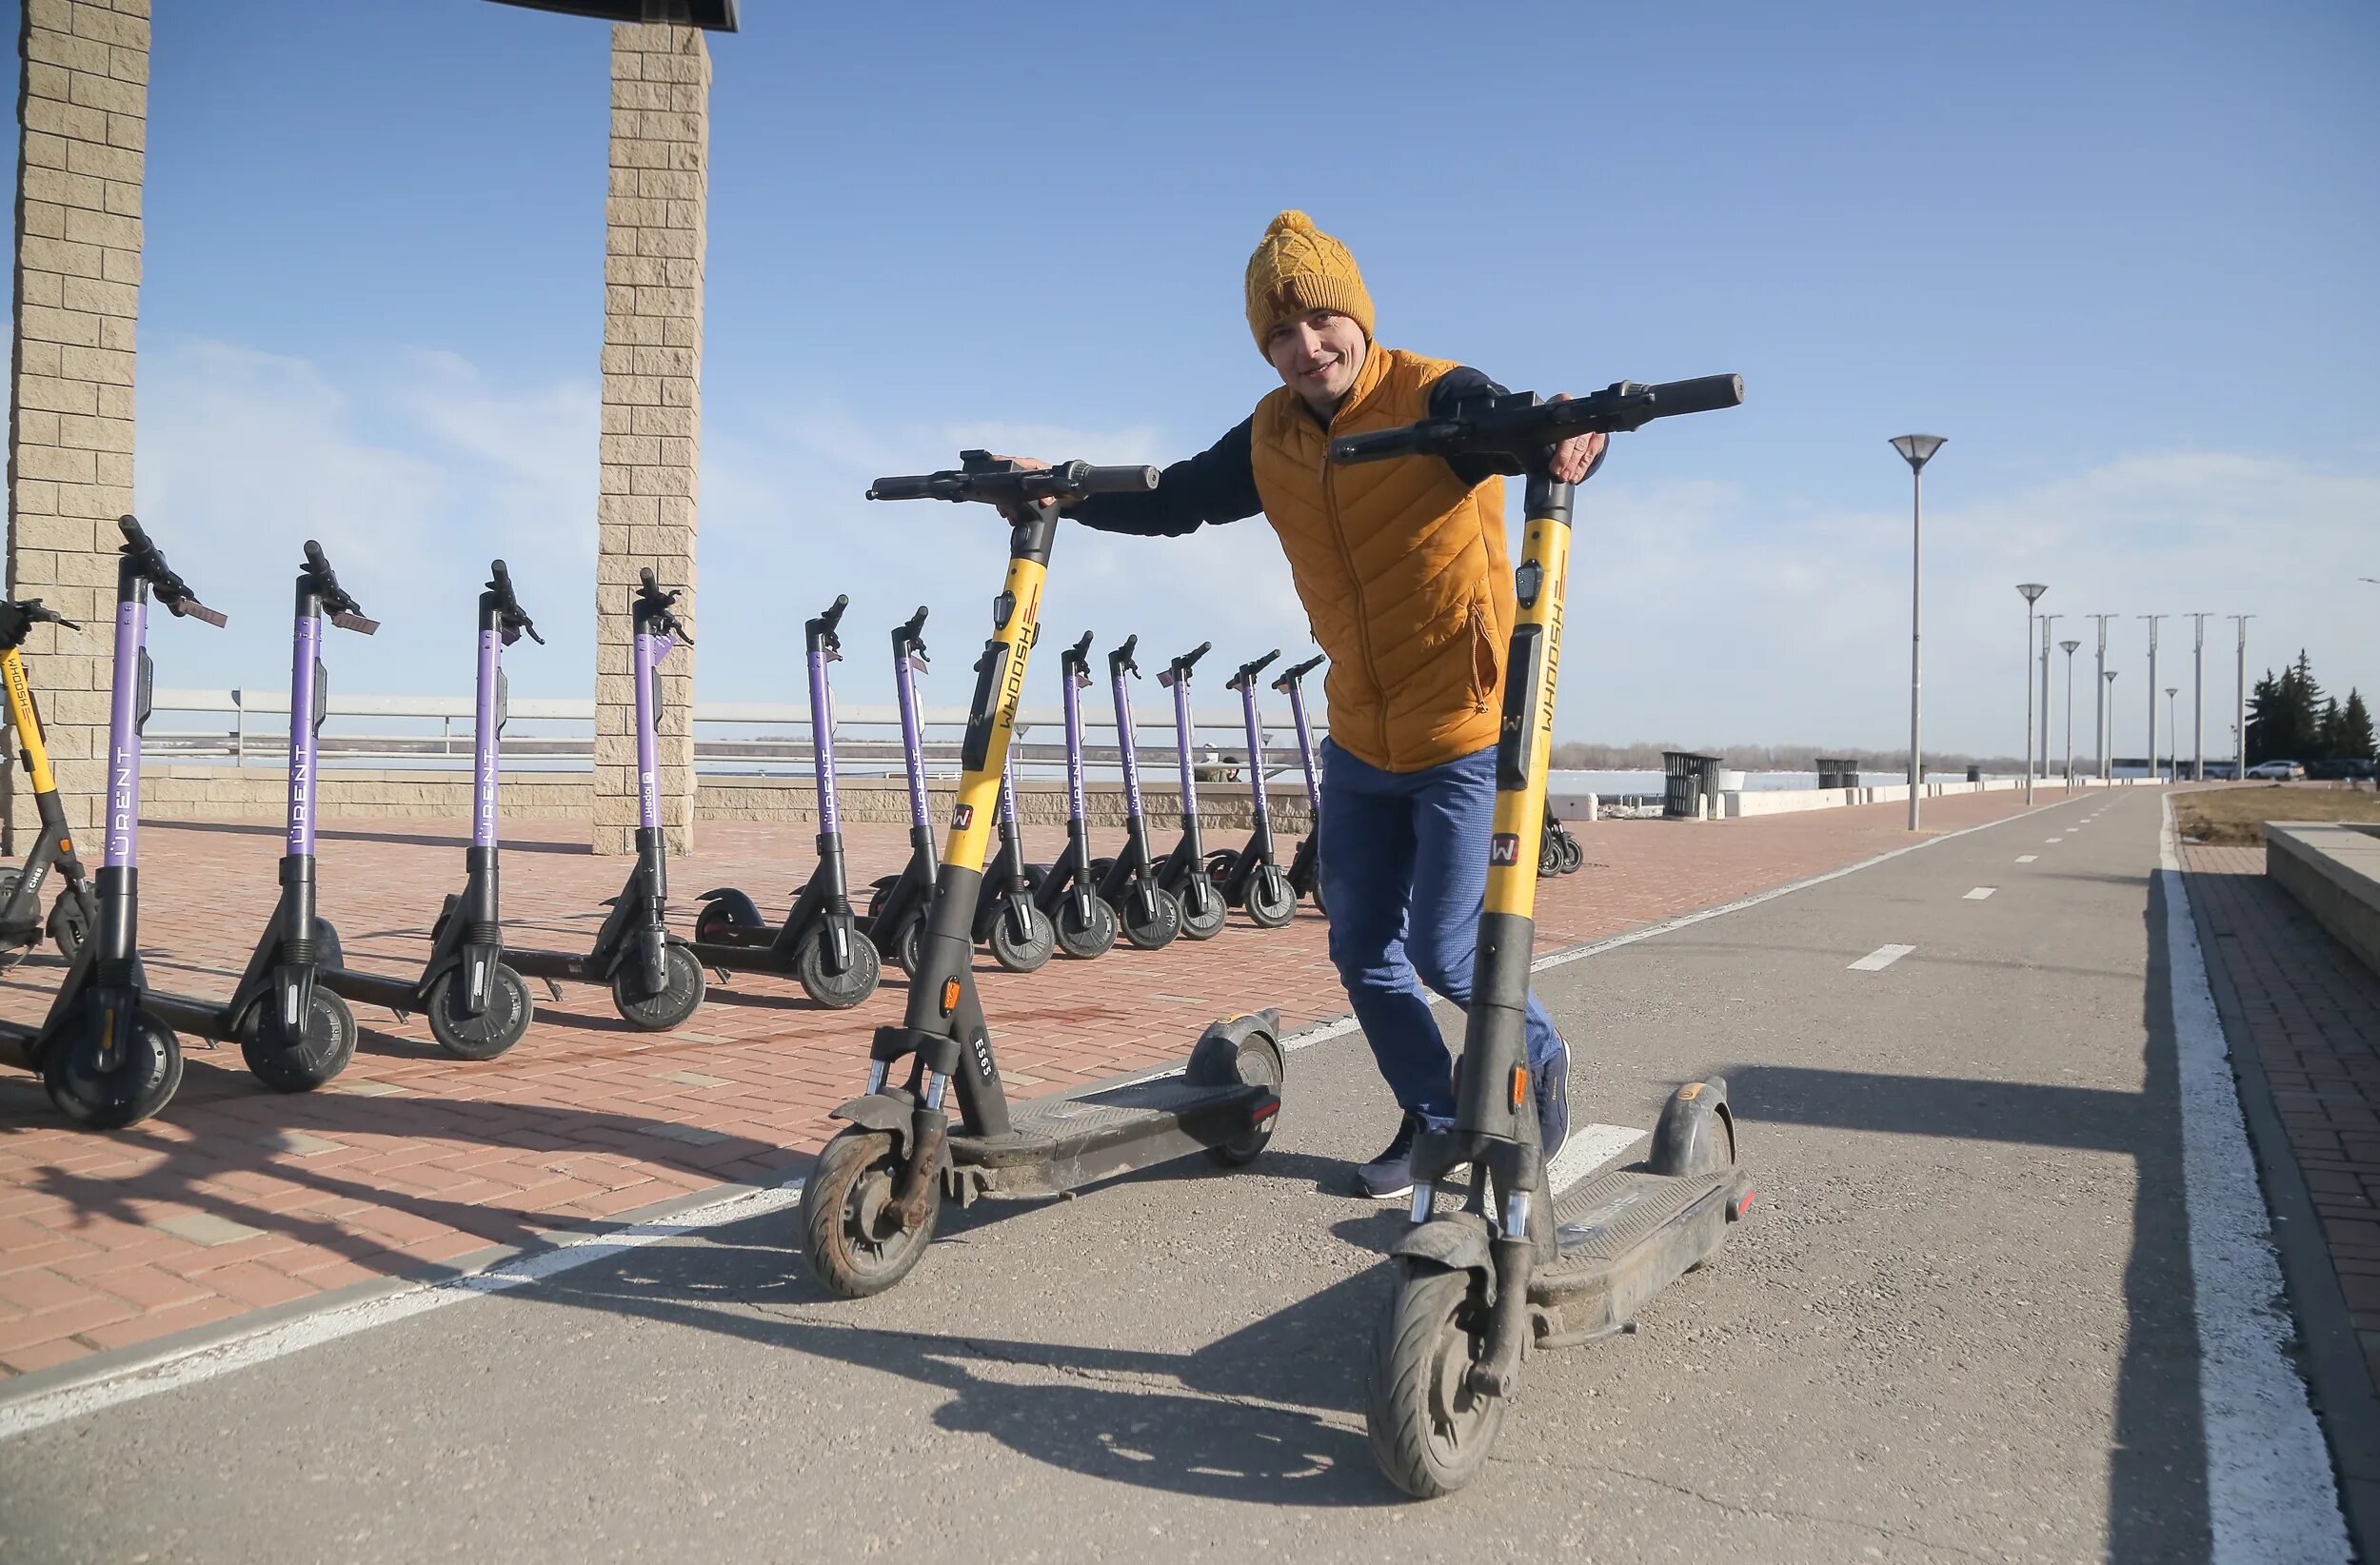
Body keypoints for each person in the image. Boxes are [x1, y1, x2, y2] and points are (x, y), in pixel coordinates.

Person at [1014, 210, 1598, 1198]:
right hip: (1360, 733)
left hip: (1463, 720)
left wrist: (1569, 431)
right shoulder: (1274, 434)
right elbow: (1178, 499)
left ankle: (1536, 1066)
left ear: (1359, 318)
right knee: (1359, 945)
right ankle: (1435, 1113)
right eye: (1280, 335)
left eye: (1321, 321)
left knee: (1448, 950)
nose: (1305, 348)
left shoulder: (1432, 392)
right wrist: (1058, 495)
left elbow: (1520, 427)